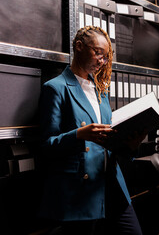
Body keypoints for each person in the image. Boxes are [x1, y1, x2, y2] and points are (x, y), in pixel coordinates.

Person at [38, 25, 145, 235]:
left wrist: (130, 146)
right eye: (98, 53)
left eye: (105, 57)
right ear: (79, 47)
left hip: (111, 184)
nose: (102, 61)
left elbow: (108, 141)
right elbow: (45, 146)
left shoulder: (101, 92)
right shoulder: (56, 88)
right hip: (80, 190)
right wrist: (79, 135)